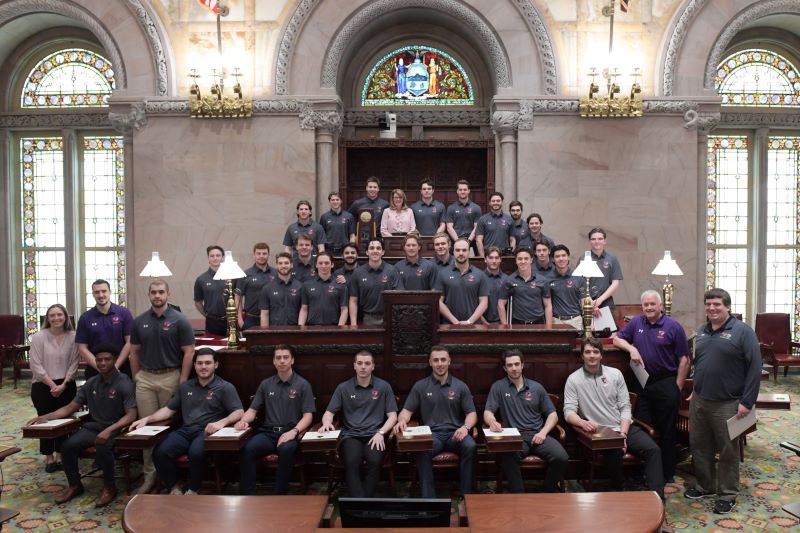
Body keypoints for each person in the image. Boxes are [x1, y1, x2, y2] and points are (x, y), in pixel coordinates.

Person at [29, 342, 137, 506]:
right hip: (94, 427)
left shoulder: (124, 382)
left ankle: (109, 487)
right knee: (67, 446)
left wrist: (110, 430)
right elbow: (70, 408)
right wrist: (45, 417)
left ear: (114, 360)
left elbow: (131, 415)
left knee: (102, 445)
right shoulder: (91, 383)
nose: (102, 363)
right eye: (99, 360)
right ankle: (75, 485)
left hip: (118, 428)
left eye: (107, 360)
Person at [684, 288, 762, 514]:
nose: (712, 308)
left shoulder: (743, 332)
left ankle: (727, 493)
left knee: (728, 450)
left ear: (727, 306)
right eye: (708, 304)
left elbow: (754, 369)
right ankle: (705, 485)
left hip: (729, 402)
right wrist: (695, 388)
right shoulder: (701, 331)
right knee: (699, 446)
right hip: (699, 400)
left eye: (717, 304)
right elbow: (697, 362)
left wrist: (747, 402)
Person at [131, 348, 243, 495]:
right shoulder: (186, 386)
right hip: (185, 430)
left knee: (196, 453)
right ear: (195, 365)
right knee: (160, 452)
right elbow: (168, 410)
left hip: (207, 432)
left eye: (208, 363)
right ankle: (174, 486)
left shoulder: (225, 387)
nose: (203, 366)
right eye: (199, 363)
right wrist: (147, 419)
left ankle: (193, 489)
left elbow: (239, 411)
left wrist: (221, 423)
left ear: (216, 365)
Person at [564, 338, 664, 499]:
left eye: (596, 352)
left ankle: (657, 497)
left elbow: (625, 407)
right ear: (582, 356)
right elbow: (569, 413)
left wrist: (622, 434)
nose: (592, 356)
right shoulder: (573, 379)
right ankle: (618, 491)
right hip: (600, 431)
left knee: (653, 450)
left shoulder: (615, 374)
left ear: (602, 355)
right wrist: (583, 423)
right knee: (615, 452)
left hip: (623, 426)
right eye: (588, 352)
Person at [613, 290, 690, 481]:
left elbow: (684, 360)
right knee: (642, 428)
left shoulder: (674, 327)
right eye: (645, 305)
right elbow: (616, 338)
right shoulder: (637, 322)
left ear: (661, 306)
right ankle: (644, 472)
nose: (648, 308)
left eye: (652, 304)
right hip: (643, 384)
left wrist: (677, 388)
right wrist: (632, 349)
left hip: (666, 383)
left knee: (667, 430)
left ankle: (666, 473)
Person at [129, 280, 195, 494]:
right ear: (148, 295)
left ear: (168, 293)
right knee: (146, 430)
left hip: (171, 377)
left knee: (169, 428)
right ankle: (150, 477)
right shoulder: (139, 321)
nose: (157, 296)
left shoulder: (179, 320)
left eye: (161, 292)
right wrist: (137, 376)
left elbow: (189, 351)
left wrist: (183, 379)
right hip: (146, 379)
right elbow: (134, 352)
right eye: (153, 292)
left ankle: (170, 477)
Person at [395, 346, 477, 498]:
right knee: (422, 450)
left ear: (449, 362)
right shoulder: (420, 386)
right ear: (430, 363)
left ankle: (467, 496)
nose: (440, 364)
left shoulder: (460, 386)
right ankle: (429, 499)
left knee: (471, 446)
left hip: (456, 433)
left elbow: (471, 413)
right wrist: (402, 420)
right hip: (432, 435)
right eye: (436, 360)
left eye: (443, 360)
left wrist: (465, 428)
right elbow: (406, 411)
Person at [484, 349, 568, 493]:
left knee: (562, 457)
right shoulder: (498, 387)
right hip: (515, 437)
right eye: (510, 365)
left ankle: (548, 490)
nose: (514, 368)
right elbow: (488, 412)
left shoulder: (536, 387)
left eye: (517, 364)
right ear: (505, 368)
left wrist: (543, 433)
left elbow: (553, 414)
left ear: (523, 365)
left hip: (538, 435)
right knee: (507, 458)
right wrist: (492, 421)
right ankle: (519, 495)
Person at [236, 345, 315, 495]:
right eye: (278, 358)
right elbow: (253, 410)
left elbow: (308, 415)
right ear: (273, 361)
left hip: (290, 433)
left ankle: (279, 494)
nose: (282, 361)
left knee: (286, 450)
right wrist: (244, 420)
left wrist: (294, 432)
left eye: (286, 357)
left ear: (292, 360)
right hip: (268, 433)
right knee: (247, 449)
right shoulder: (266, 384)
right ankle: (248, 495)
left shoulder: (303, 384)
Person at [321, 351, 398, 498]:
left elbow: (393, 416)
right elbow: (329, 413)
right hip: (351, 435)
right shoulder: (343, 388)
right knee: (351, 463)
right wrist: (326, 423)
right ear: (354, 366)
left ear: (373, 367)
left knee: (375, 462)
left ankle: (362, 502)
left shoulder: (383, 387)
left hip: (375, 434)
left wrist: (381, 433)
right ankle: (361, 503)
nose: (363, 367)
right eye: (360, 363)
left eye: (367, 364)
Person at [29, 303, 80, 473]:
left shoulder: (73, 336)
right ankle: (48, 456)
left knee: (63, 421)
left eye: (60, 315)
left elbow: (74, 362)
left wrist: (64, 384)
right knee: (44, 420)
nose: (56, 318)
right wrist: (52, 385)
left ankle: (60, 455)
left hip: (67, 385)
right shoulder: (38, 337)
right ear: (47, 318)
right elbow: (35, 365)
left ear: (65, 317)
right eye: (52, 315)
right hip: (43, 386)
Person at [75, 279, 134, 379]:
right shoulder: (85, 318)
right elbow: (82, 348)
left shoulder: (124, 313)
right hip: (95, 370)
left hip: (121, 368)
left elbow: (130, 342)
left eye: (104, 291)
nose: (101, 295)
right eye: (97, 292)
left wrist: (115, 367)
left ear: (110, 292)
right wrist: (101, 368)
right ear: (93, 294)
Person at [348, 239, 403, 325]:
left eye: (378, 248)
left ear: (383, 252)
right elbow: (353, 300)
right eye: (372, 248)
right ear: (367, 252)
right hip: (368, 318)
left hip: (389, 317)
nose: (375, 251)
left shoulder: (392, 270)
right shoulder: (358, 272)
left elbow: (399, 297)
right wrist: (353, 324)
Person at [435, 238, 489, 325]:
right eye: (457, 250)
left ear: (469, 252)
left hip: (474, 326)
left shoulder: (480, 274)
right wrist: (454, 321)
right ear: (453, 252)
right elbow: (438, 301)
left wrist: (469, 321)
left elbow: (484, 302)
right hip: (449, 325)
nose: (461, 253)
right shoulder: (442, 274)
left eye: (464, 250)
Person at [498, 247, 553, 326]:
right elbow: (500, 304)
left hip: (538, 323)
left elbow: (548, 305)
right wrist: (504, 325)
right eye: (520, 259)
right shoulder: (509, 280)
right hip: (517, 323)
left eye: (526, 258)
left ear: (531, 260)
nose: (523, 261)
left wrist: (549, 326)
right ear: (516, 261)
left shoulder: (542, 280)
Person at [298, 252, 348, 326]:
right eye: (320, 263)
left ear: (332, 265)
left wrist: (339, 329)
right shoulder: (307, 285)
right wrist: (301, 327)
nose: (323, 266)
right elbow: (304, 309)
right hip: (312, 328)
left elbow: (344, 310)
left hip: (333, 328)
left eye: (326, 263)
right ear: (316, 265)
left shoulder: (340, 285)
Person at [235, 242, 276, 331]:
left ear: (269, 255)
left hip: (272, 319)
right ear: (253, 255)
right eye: (258, 253)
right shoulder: (245, 275)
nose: (261, 256)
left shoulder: (276, 273)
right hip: (251, 319)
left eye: (264, 253)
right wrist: (240, 320)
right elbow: (238, 297)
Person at [260, 252, 303, 327]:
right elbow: (264, 313)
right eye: (280, 263)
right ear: (277, 265)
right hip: (274, 332)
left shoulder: (300, 287)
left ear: (291, 264)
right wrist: (265, 334)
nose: (283, 266)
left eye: (286, 263)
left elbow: (304, 311)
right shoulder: (267, 288)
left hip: (295, 331)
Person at [587, 227, 623, 315]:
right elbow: (579, 284)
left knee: (608, 329)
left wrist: (600, 300)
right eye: (593, 239)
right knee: (589, 329)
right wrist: (590, 302)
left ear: (604, 241)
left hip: (606, 302)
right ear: (589, 242)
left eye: (600, 239)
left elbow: (615, 283)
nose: (596, 241)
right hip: (588, 303)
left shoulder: (612, 259)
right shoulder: (584, 259)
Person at [548, 244, 584, 330]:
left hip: (576, 321)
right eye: (557, 256)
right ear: (553, 259)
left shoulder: (578, 276)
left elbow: (583, 301)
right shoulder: (547, 279)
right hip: (556, 321)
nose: (561, 259)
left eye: (563, 255)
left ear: (568, 257)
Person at [193, 245, 227, 335]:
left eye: (218, 255)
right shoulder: (201, 279)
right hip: (212, 323)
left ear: (222, 258)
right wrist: (207, 315)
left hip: (231, 321)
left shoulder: (232, 277)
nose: (215, 258)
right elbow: (198, 302)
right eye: (212, 256)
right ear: (208, 258)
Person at [445, 180, 481, 255]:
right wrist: (457, 241)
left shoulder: (476, 208)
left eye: (465, 189)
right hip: (455, 241)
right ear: (457, 191)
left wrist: (469, 241)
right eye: (460, 190)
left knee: (472, 263)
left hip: (471, 242)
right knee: (454, 263)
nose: (462, 192)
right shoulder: (451, 208)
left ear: (469, 191)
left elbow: (477, 227)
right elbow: (449, 227)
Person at [475, 192, 513, 257]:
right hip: (489, 255)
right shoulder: (482, 219)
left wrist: (510, 254)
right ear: (490, 203)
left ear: (502, 202)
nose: (495, 203)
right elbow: (479, 240)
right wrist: (482, 257)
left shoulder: (509, 219)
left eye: (498, 201)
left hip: (504, 256)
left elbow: (512, 239)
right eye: (493, 201)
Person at [482, 246, 508, 324]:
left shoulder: (506, 279)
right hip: (482, 323)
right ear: (485, 259)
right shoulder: (479, 278)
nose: (494, 261)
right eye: (491, 258)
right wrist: (485, 323)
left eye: (497, 258)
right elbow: (474, 304)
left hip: (502, 323)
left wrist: (504, 323)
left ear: (500, 259)